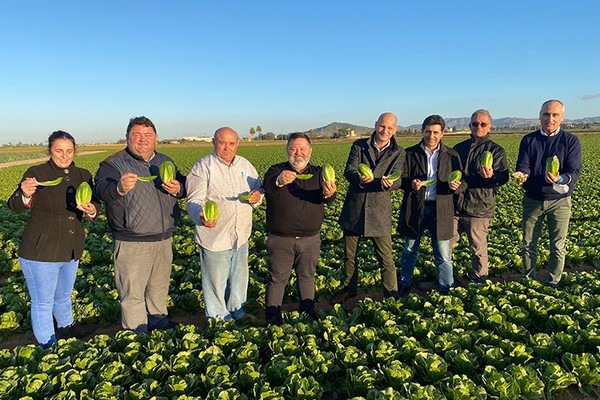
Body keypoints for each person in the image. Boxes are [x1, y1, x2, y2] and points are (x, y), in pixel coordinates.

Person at [94, 116, 186, 334]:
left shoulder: (165, 161)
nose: (142, 139)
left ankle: (159, 323)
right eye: (136, 135)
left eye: (147, 135)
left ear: (156, 138)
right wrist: (119, 188)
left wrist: (179, 189)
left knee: (159, 287)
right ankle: (136, 335)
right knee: (132, 292)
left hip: (164, 237)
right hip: (132, 240)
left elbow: (183, 185)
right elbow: (100, 189)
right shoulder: (113, 164)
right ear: (127, 138)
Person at [8, 131, 99, 348]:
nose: (64, 156)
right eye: (59, 151)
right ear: (50, 150)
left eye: (69, 151)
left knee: (64, 295)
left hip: (71, 248)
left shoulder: (84, 175)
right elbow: (14, 205)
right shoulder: (37, 173)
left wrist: (92, 210)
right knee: (43, 303)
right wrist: (25, 194)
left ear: (75, 151)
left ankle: (67, 328)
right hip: (41, 250)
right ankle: (49, 346)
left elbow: (96, 204)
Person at [186, 127, 262, 323]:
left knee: (239, 278)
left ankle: (238, 312)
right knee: (215, 283)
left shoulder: (245, 165)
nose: (227, 148)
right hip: (215, 236)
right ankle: (218, 320)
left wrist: (257, 197)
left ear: (237, 144)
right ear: (214, 143)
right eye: (222, 143)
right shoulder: (203, 167)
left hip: (240, 234)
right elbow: (194, 200)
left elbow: (258, 189)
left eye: (231, 143)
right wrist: (201, 216)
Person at [263, 132, 337, 325]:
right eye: (293, 149)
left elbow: (329, 199)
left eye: (303, 149)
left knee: (307, 276)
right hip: (281, 239)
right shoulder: (276, 170)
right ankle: (272, 318)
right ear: (287, 150)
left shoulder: (319, 173)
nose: (298, 153)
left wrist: (330, 193)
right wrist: (279, 180)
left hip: (310, 239)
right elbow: (268, 187)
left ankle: (308, 312)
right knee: (278, 278)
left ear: (310, 151)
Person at [335, 112, 405, 302]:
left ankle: (391, 295)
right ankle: (349, 288)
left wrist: (389, 184)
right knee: (349, 256)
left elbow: (398, 179)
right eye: (382, 126)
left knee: (386, 258)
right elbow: (349, 170)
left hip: (379, 211)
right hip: (355, 208)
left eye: (390, 128)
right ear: (375, 125)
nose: (385, 130)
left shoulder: (399, 152)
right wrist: (359, 178)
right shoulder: (359, 146)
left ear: (394, 130)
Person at [514, 99, 581, 287]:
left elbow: (574, 172)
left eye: (555, 115)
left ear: (562, 117)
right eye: (546, 114)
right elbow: (523, 165)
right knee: (528, 244)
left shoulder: (570, 141)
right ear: (540, 116)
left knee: (558, 246)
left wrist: (560, 179)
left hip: (560, 201)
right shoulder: (529, 140)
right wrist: (522, 174)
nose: (550, 119)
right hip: (533, 199)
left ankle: (553, 282)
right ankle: (529, 281)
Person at [397, 115, 463, 296]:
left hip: (441, 209)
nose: (431, 136)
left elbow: (463, 181)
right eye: (428, 132)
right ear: (422, 131)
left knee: (443, 253)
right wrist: (411, 183)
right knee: (409, 249)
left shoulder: (452, 155)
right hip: (415, 207)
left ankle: (446, 288)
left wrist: (455, 187)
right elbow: (400, 179)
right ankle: (404, 283)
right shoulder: (410, 153)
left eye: (435, 132)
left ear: (442, 133)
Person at [451, 109, 509, 283]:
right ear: (470, 126)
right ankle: (444, 280)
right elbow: (450, 173)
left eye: (483, 124)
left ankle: (479, 281)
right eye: (475, 124)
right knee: (446, 245)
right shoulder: (458, 149)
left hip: (479, 207)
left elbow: (503, 177)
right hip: (455, 206)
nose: (479, 127)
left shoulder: (495, 151)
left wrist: (490, 177)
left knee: (478, 248)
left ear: (490, 127)